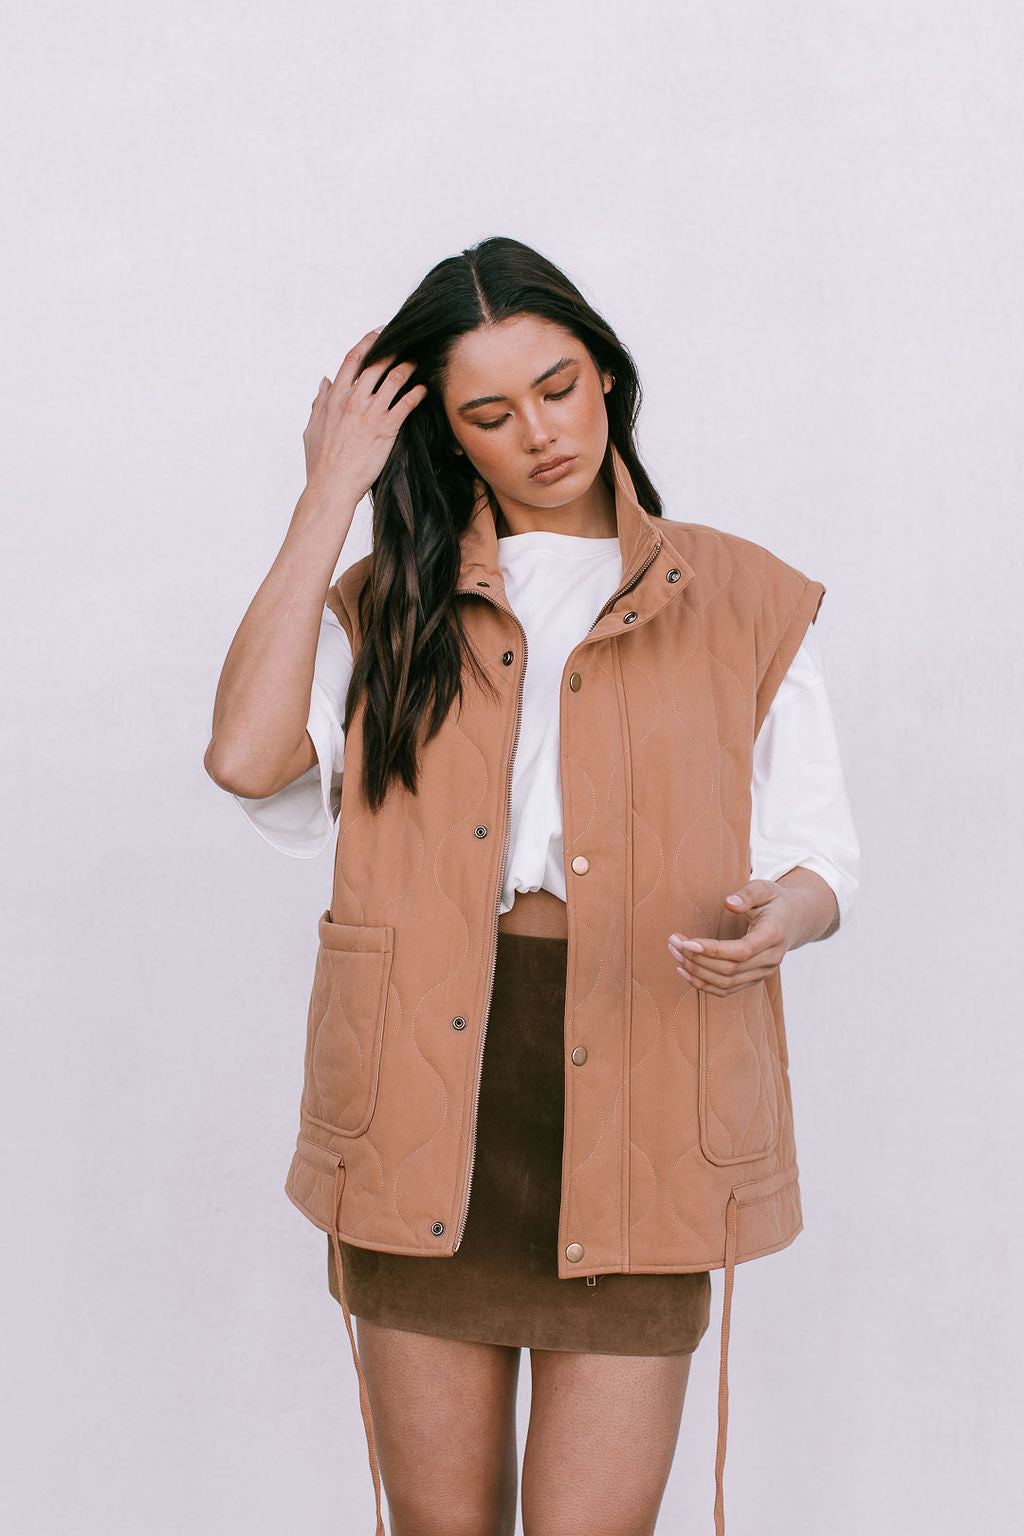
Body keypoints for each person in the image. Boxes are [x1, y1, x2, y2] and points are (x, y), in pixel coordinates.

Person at [204, 236, 859, 1536]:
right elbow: (244, 757)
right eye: (490, 414)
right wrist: (330, 492)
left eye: (558, 387)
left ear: (605, 376)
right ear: (448, 441)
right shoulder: (388, 608)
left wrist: (779, 919)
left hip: (646, 1099)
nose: (541, 432)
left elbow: (818, 857)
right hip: (427, 1102)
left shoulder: (739, 599)